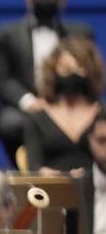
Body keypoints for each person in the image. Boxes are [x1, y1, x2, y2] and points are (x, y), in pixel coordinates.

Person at [0, 0, 95, 160]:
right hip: (28, 105)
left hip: (70, 100)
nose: (46, 1)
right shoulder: (7, 34)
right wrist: (31, 102)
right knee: (10, 122)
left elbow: (92, 73)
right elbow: (1, 80)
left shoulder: (81, 33)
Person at [22, 37, 102, 174]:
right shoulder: (37, 118)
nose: (72, 75)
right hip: (52, 189)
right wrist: (50, 175)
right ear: (53, 72)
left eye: (79, 69)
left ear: (90, 72)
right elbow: (33, 166)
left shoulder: (102, 115)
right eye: (66, 69)